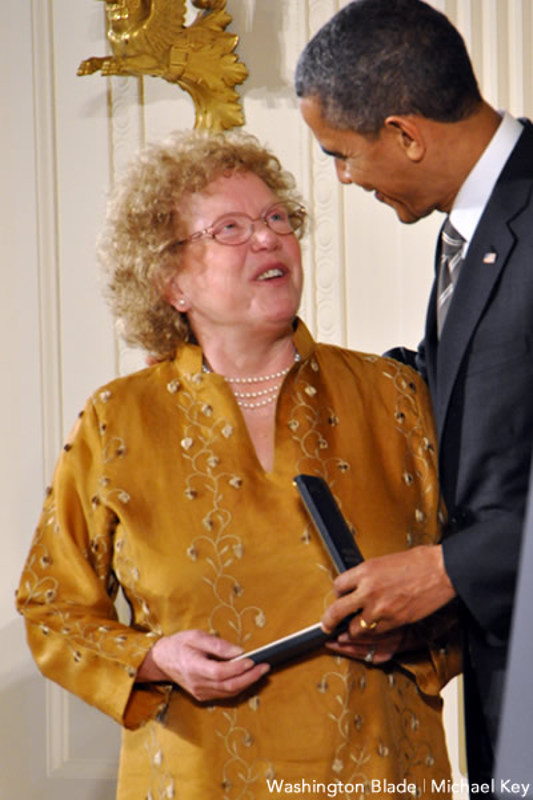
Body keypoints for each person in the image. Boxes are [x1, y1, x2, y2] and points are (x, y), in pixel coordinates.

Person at [16, 129, 459, 799]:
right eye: (230, 228)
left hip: (380, 770)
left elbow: (484, 569)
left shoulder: (396, 397)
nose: (267, 239)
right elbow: (51, 607)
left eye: (277, 219)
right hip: (199, 775)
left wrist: (419, 635)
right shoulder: (116, 419)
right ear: (170, 282)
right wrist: (153, 657)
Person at [295, 0, 533, 793]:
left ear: (403, 133)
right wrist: (284, 378)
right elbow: (454, 392)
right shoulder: (471, 226)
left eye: (340, 154)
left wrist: (450, 569)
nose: (342, 178)